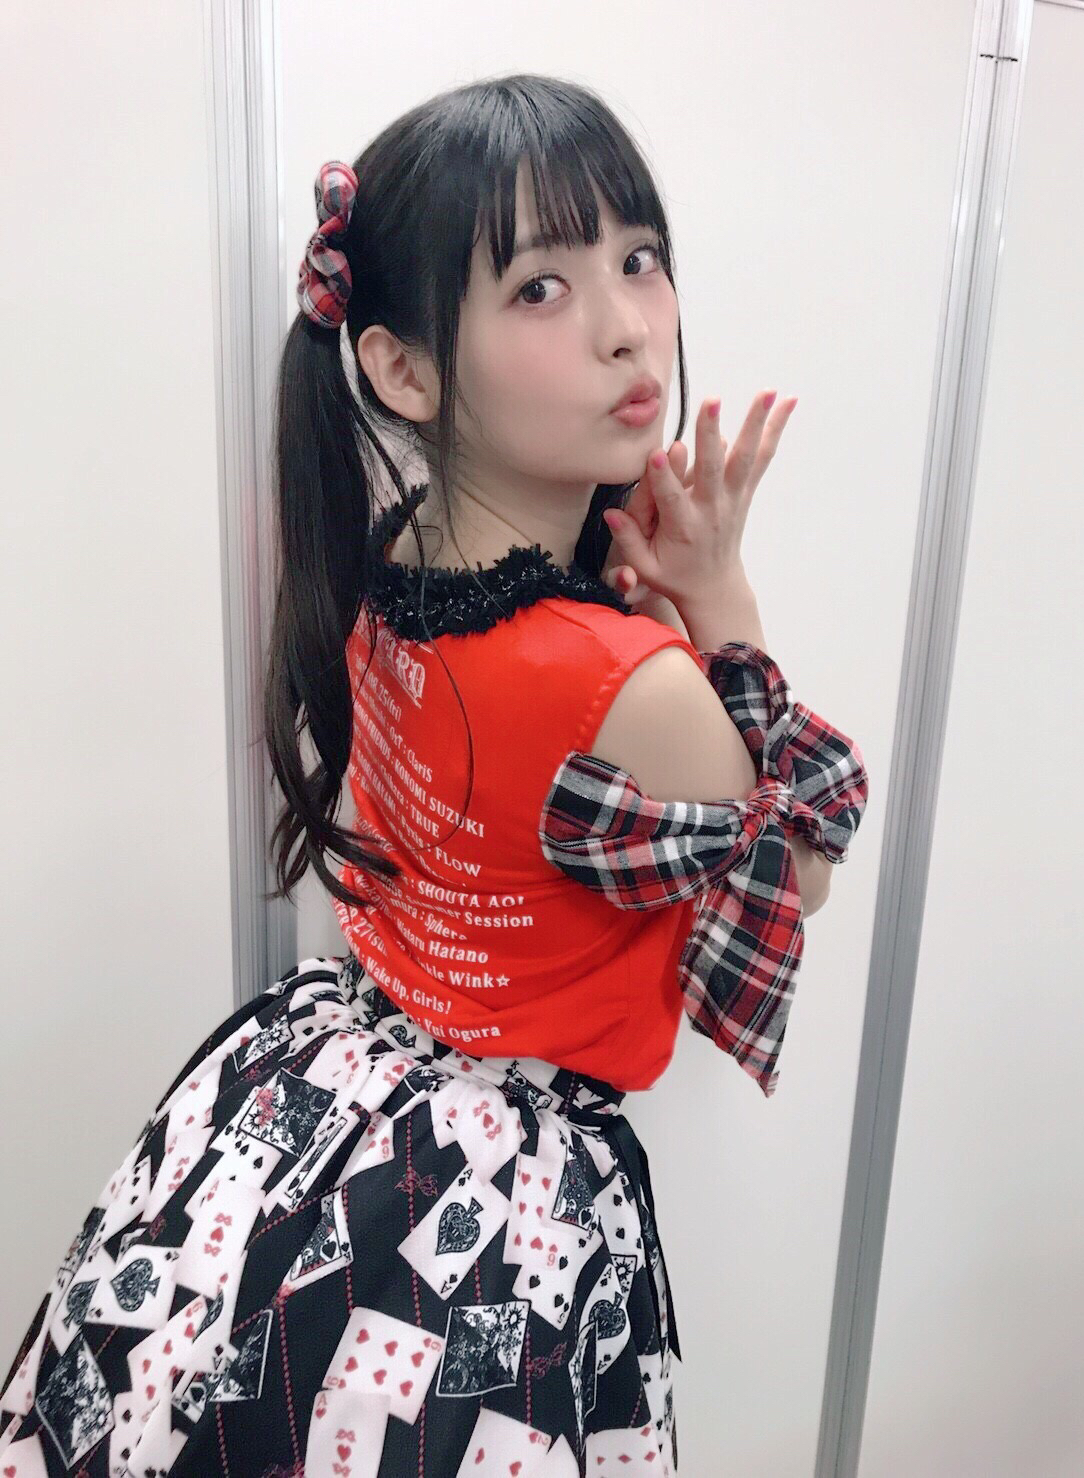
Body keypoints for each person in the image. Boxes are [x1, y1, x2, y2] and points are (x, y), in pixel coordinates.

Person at [0, 73, 869, 1477]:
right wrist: (721, 596)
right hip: (488, 1203)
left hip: (313, 1103)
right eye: (541, 287)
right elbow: (799, 868)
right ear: (404, 372)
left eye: (640, 257)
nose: (627, 325)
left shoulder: (396, 556)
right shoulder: (627, 680)